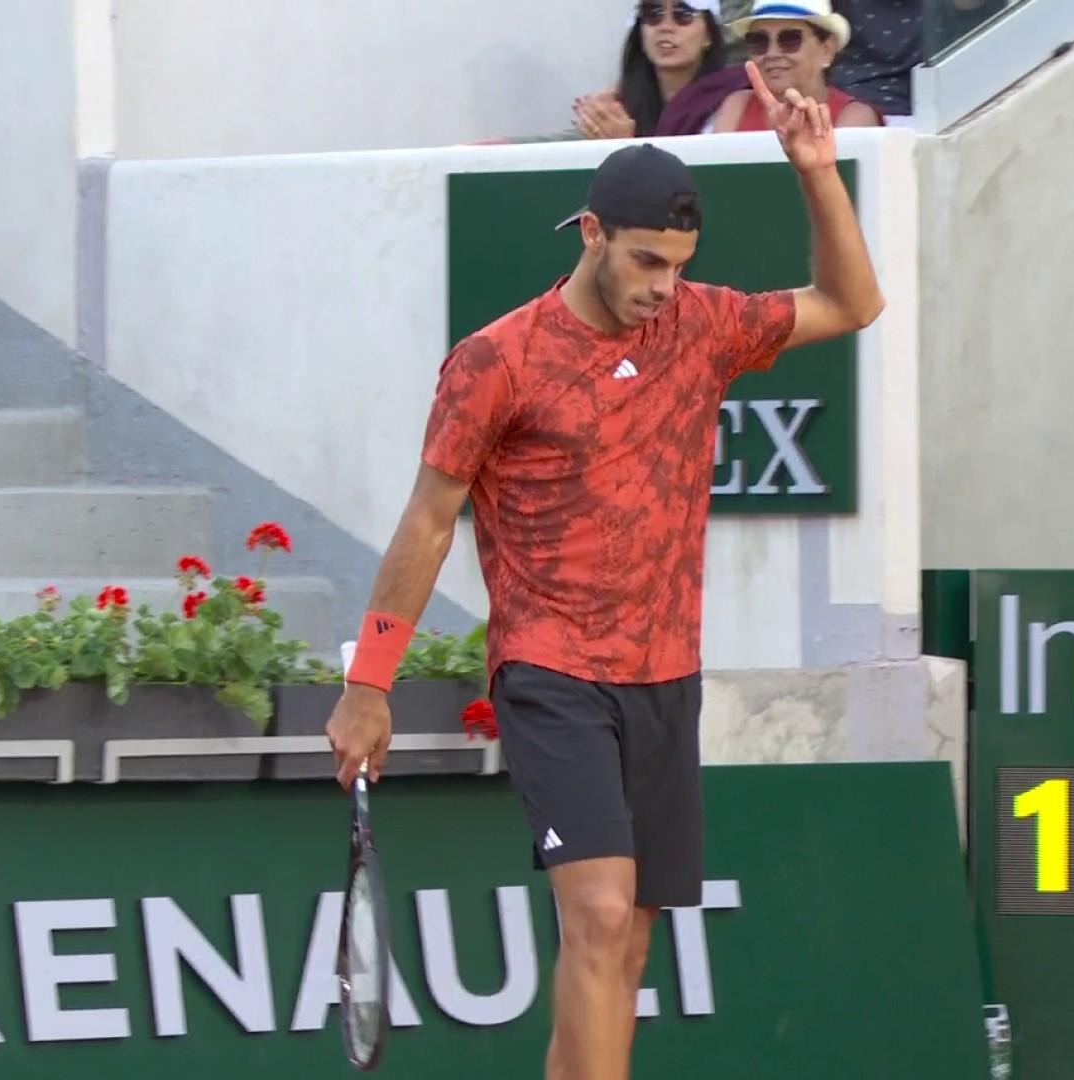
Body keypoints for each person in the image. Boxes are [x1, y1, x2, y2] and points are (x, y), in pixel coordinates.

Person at [325, 61, 883, 1080]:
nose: (659, 286)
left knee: (628, 941)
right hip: (552, 673)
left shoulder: (700, 326)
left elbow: (853, 302)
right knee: (596, 912)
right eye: (642, 261)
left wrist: (815, 169)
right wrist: (369, 683)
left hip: (665, 675)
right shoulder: (497, 361)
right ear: (589, 233)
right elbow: (429, 518)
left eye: (675, 263)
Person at [710, 0, 884, 133]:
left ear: (826, 50)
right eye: (759, 41)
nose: (772, 53)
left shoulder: (853, 116)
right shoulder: (737, 105)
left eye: (790, 39)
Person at [571, 2, 729, 140]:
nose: (665, 27)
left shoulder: (731, 103)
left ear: (708, 35)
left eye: (683, 14)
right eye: (652, 13)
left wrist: (624, 146)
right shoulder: (619, 108)